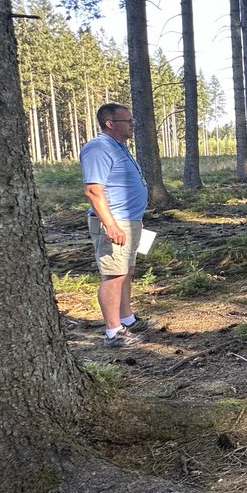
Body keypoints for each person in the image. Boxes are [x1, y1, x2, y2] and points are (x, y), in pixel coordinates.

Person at [80, 103, 152, 348]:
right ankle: (113, 332)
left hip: (129, 220)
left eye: (132, 120)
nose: (132, 124)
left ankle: (127, 318)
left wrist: (135, 217)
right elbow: (93, 190)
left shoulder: (119, 147)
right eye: (127, 121)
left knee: (126, 272)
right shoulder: (98, 148)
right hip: (114, 222)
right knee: (113, 275)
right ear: (110, 123)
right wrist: (110, 225)